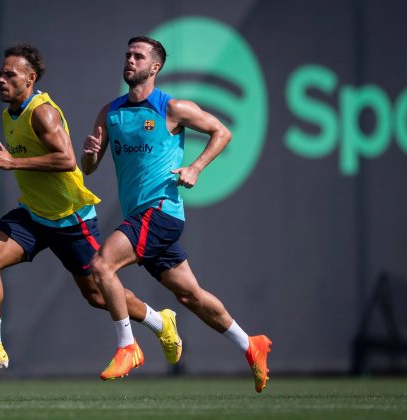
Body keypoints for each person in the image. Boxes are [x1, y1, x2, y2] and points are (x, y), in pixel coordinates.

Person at [0, 43, 182, 380]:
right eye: (0, 74)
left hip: (70, 217)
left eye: (10, 74)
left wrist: (13, 162)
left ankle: (159, 320)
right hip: (35, 214)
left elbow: (66, 160)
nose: (1, 80)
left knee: (96, 294)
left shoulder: (42, 112)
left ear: (30, 78)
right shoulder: (10, 114)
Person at [81, 36, 273, 392]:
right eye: (127, 54)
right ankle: (251, 345)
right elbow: (88, 167)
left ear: (155, 67)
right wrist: (90, 155)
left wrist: (196, 167)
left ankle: (128, 347)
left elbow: (222, 131)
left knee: (101, 266)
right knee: (191, 297)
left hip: (161, 211)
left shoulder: (172, 108)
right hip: (141, 216)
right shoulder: (111, 112)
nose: (130, 60)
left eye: (138, 56)